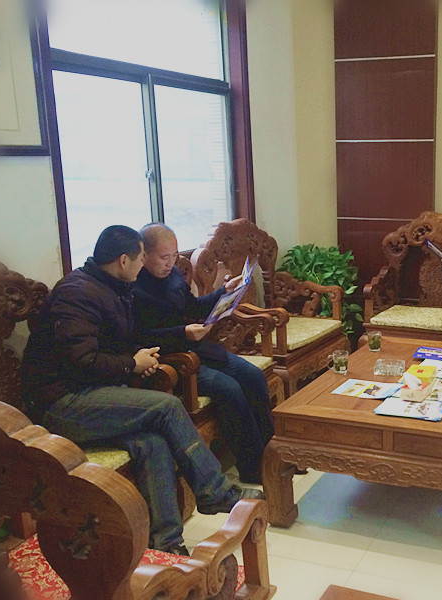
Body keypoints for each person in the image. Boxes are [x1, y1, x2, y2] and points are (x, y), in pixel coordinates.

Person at [20, 225, 261, 556]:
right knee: (167, 407)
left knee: (152, 442)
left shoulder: (110, 287)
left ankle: (167, 544)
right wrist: (131, 364)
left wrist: (138, 358)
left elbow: (115, 343)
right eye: (141, 257)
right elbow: (82, 361)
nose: (144, 263)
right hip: (61, 403)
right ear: (124, 261)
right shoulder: (77, 293)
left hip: (92, 392)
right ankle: (214, 492)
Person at [134, 223, 273, 485]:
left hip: (195, 347)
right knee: (230, 388)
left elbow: (194, 307)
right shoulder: (133, 286)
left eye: (174, 256)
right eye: (164, 257)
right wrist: (182, 333)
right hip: (171, 359)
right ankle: (253, 467)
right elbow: (138, 337)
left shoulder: (173, 275)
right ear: (144, 255)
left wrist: (224, 292)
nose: (170, 263)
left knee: (253, 375)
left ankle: (273, 454)